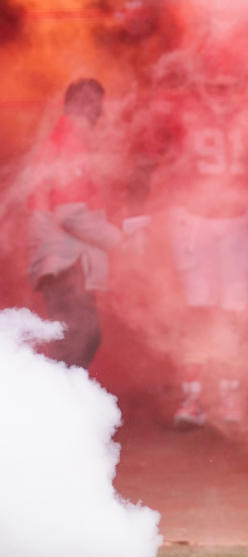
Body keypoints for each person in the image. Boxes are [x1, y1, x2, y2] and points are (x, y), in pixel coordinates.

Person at [139, 49, 248, 430]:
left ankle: (228, 391)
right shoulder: (184, 116)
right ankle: (192, 395)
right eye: (214, 88)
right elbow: (149, 158)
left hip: (237, 221)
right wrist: (139, 210)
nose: (222, 95)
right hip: (194, 221)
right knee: (199, 311)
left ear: (240, 88)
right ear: (203, 88)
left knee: (233, 313)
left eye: (229, 87)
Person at [27, 79, 125, 368]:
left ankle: (60, 404)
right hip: (66, 259)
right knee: (79, 339)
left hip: (62, 259)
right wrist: (118, 239)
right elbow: (70, 213)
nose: (100, 111)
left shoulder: (62, 138)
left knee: (77, 339)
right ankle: (58, 407)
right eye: (96, 103)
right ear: (81, 105)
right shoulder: (71, 142)